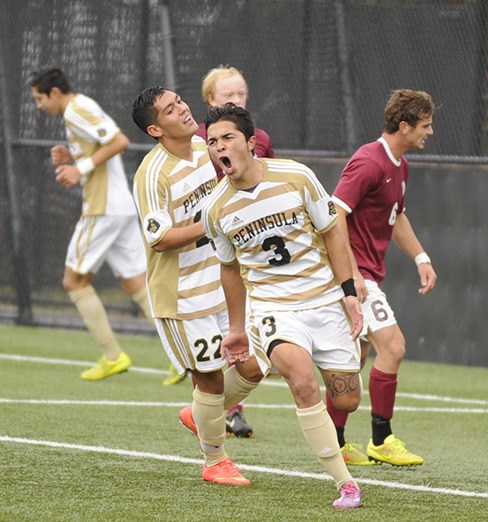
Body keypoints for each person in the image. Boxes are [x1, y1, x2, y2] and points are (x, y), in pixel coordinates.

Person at [202, 103, 364, 509]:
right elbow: (230, 270)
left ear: (251, 143)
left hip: (325, 301)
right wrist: (236, 327)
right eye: (212, 142)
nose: (219, 147)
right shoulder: (216, 209)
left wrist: (348, 291)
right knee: (303, 382)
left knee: (347, 398)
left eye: (227, 138)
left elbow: (331, 232)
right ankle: (345, 483)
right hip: (273, 307)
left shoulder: (297, 177)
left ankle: (212, 405)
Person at [131, 87, 268, 484]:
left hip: (223, 282)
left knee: (256, 365)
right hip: (182, 294)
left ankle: (200, 412)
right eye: (170, 110)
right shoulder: (151, 174)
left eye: (180, 101)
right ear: (156, 128)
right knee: (208, 377)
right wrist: (211, 224)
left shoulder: (202, 146)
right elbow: (159, 238)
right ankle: (215, 462)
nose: (183, 109)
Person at [328, 89, 437, 466]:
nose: (431, 132)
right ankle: (381, 438)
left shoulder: (400, 164)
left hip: (365, 273)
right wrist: (352, 275)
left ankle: (336, 442)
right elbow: (335, 215)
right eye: (425, 125)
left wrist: (420, 256)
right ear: (404, 126)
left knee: (352, 357)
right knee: (393, 347)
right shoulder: (369, 161)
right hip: (353, 275)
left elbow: (397, 215)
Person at [29, 67, 157, 381]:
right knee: (133, 282)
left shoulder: (76, 110)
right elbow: (103, 145)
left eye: (38, 99)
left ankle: (113, 356)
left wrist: (79, 167)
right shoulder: (81, 107)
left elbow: (119, 141)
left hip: (102, 209)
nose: (38, 106)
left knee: (73, 282)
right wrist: (71, 157)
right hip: (120, 207)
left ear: (55, 93)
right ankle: (182, 350)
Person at [179, 65, 275, 436]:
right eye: (228, 96)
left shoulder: (259, 138)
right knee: (209, 343)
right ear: (209, 101)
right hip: (203, 253)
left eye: (242, 95)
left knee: (244, 334)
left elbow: (266, 180)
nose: (237, 101)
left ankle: (221, 408)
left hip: (245, 249)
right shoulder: (195, 144)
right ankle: (211, 413)